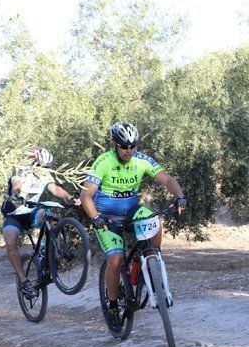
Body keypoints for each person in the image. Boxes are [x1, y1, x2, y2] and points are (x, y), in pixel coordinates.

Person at [80, 122, 187, 329]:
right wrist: (95, 217)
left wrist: (180, 196)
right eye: (124, 146)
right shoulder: (103, 162)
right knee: (116, 259)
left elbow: (167, 179)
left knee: (154, 219)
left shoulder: (142, 160)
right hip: (107, 217)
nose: (129, 150)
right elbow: (86, 195)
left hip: (131, 211)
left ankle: (152, 259)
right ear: (115, 145)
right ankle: (112, 304)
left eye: (132, 146)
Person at [1, 146, 80, 299]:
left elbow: (56, 189)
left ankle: (48, 253)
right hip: (14, 215)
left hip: (31, 212)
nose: (44, 170)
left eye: (47, 168)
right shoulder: (21, 171)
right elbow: (16, 186)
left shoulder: (44, 175)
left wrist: (70, 198)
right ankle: (24, 281)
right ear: (33, 163)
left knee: (50, 216)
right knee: (10, 244)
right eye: (42, 167)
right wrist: (16, 197)